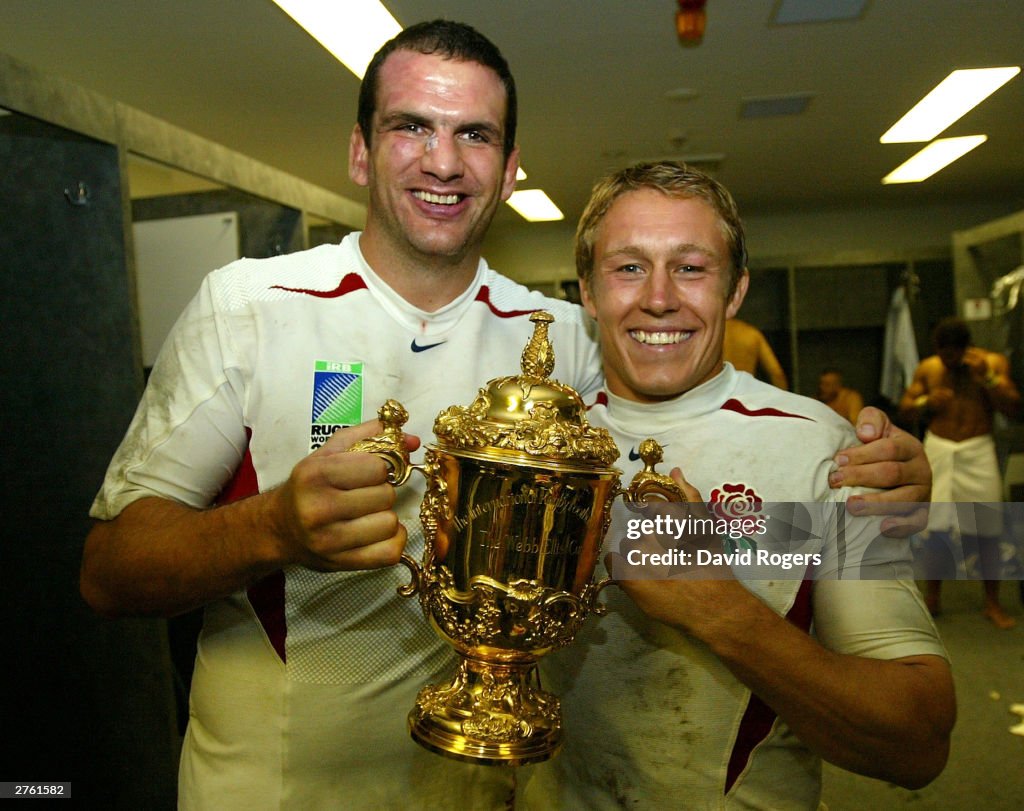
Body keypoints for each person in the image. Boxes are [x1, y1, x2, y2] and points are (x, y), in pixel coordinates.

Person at [80, 23, 932, 809]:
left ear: (511, 165)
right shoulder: (251, 306)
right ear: (359, 151)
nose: (443, 161)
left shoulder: (563, 339)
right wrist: (270, 527)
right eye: (412, 126)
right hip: (272, 792)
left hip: (493, 791)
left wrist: (884, 474)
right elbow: (109, 570)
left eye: (474, 134)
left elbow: (709, 421)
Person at [520, 162, 954, 809]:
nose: (659, 296)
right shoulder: (531, 448)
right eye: (629, 267)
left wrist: (721, 610)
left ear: (736, 289)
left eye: (691, 267)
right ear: (586, 289)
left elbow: (917, 740)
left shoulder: (821, 447)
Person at [900, 317, 1021, 629]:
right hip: (939, 447)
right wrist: (927, 401)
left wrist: (989, 380)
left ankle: (992, 603)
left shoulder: (990, 363)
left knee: (987, 527)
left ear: (966, 349)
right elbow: (904, 407)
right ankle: (933, 597)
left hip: (977, 448)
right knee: (935, 527)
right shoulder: (929, 368)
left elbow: (1014, 408)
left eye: (953, 355)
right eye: (943, 355)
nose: (948, 361)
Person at [723, 317, 788, 388]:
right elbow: (776, 373)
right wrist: (782, 397)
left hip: (717, 395)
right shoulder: (752, 334)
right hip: (746, 393)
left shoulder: (714, 334)